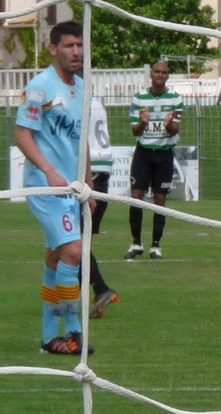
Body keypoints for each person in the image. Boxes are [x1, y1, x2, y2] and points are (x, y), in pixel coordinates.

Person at [15, 21, 93, 355]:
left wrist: (89, 183)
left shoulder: (81, 88)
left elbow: (82, 139)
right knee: (74, 252)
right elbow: (22, 135)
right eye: (69, 46)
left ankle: (49, 337)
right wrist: (49, 172)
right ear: (53, 49)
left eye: (79, 45)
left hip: (73, 190)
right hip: (45, 188)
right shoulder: (39, 87)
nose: (76, 52)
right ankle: (75, 330)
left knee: (55, 259)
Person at [125, 60, 183, 260]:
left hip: (164, 153)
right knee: (136, 197)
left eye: (164, 73)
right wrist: (142, 123)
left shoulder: (175, 98)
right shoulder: (139, 98)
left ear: (168, 76)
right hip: (143, 153)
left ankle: (156, 245)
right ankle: (135, 243)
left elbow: (176, 129)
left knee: (160, 200)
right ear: (151, 74)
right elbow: (134, 131)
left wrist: (168, 125)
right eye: (157, 72)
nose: (160, 75)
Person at [87, 90, 120, 318]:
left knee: (71, 245)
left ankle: (101, 289)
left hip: (90, 174)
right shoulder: (96, 102)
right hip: (103, 172)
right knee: (77, 244)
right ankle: (94, 293)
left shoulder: (76, 101)